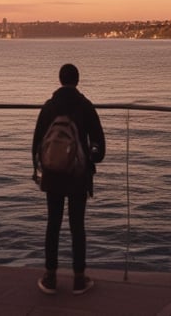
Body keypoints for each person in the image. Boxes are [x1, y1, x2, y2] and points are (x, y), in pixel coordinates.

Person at [32, 63, 106, 296]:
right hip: (77, 175)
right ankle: (78, 279)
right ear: (77, 80)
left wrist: (42, 166)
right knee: (77, 226)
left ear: (60, 79)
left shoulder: (49, 107)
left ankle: (50, 277)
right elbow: (99, 146)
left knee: (53, 224)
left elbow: (36, 144)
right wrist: (90, 157)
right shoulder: (85, 106)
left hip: (53, 174)